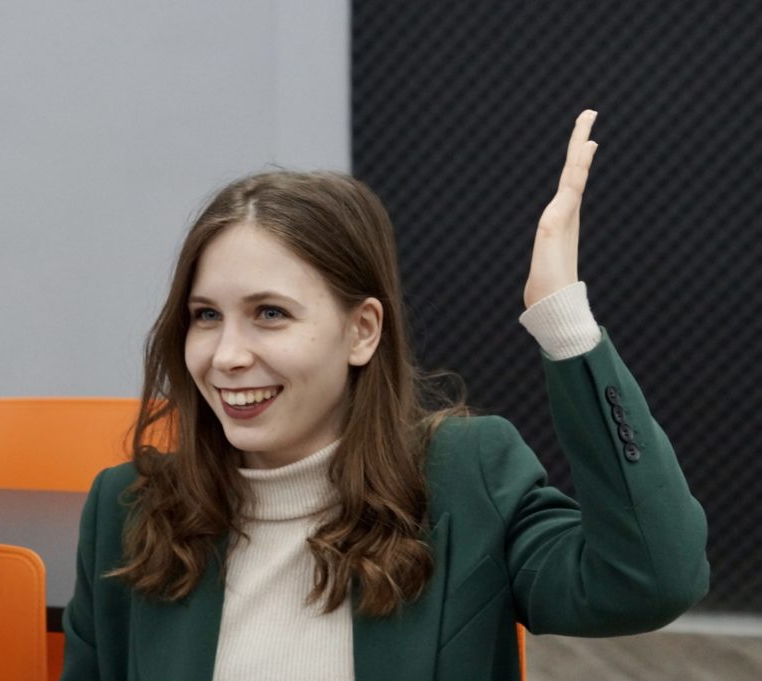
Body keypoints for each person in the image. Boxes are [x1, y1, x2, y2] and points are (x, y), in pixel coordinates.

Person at [60, 110, 709, 681]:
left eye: (270, 313)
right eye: (206, 315)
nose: (227, 354)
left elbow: (650, 579)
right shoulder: (126, 511)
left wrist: (562, 320)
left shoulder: (466, 480)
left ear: (362, 331)